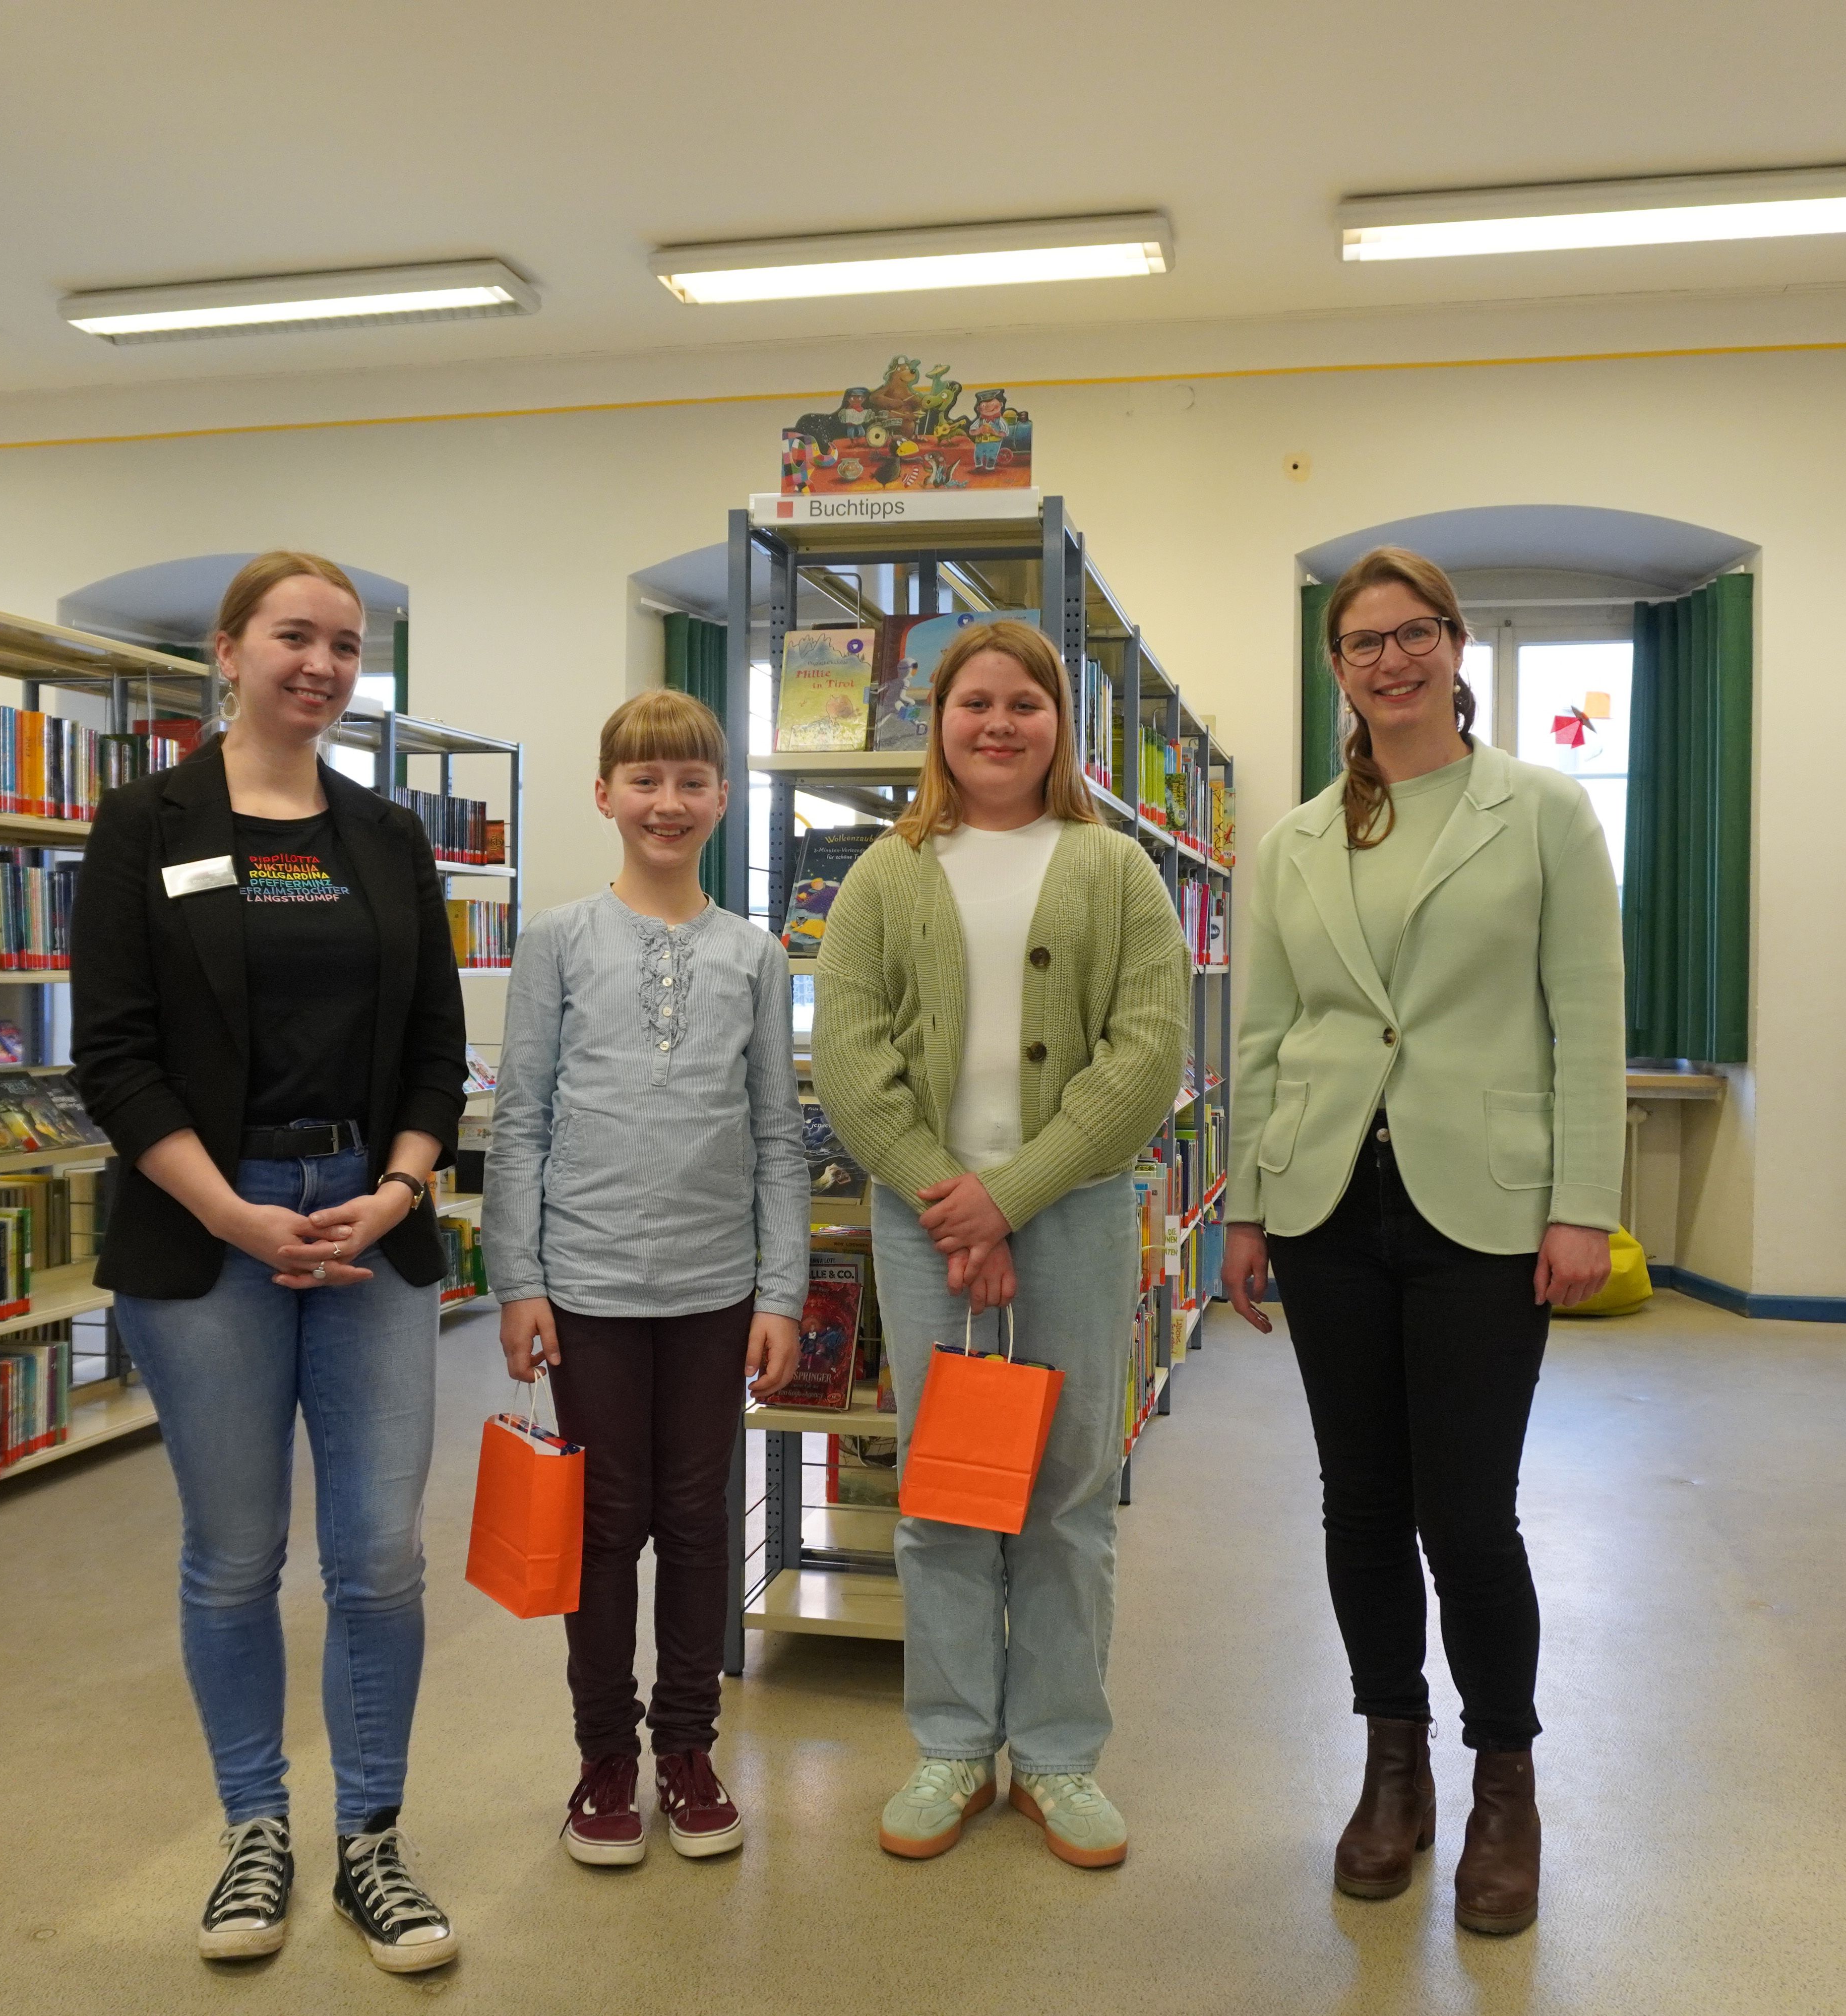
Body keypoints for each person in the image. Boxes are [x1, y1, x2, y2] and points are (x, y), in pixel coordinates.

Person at [71, 551, 467, 1975]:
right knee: (235, 1558)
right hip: (207, 1231)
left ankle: (375, 1841)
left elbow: (438, 1048)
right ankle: (255, 1829)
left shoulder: (388, 837)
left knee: (378, 1558)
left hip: (372, 1219)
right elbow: (110, 1058)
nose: (322, 664)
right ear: (227, 651)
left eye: (347, 646)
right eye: (295, 636)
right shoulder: (144, 824)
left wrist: (402, 1184)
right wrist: (234, 1214)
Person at [1218, 545, 1622, 1936]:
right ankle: (1392, 1766)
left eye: (1414, 635)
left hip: (1488, 1212)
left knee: (1468, 1513)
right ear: (1337, 670)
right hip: (1330, 1202)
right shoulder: (1298, 840)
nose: (1390, 660)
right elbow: (1265, 1036)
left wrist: (1584, 1205)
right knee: (1358, 1505)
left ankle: (1503, 1778)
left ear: (1456, 647)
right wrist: (1249, 1208)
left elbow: (1587, 1025)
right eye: (1362, 643)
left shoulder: (1545, 814)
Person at [810, 618, 1189, 1871]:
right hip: (925, 1225)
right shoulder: (886, 871)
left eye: (1026, 702)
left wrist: (1009, 1195)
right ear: (939, 719)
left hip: (1069, 1215)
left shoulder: (1116, 867)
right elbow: (852, 1061)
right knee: (946, 1490)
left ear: (1059, 724)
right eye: (975, 701)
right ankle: (954, 1742)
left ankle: (1063, 1753)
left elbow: (1143, 1060)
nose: (999, 723)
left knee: (1068, 1491)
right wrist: (947, 1193)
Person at [486, 689, 809, 1868]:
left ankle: (688, 1745)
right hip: (586, 1286)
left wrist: (781, 1294)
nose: (667, 802)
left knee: (697, 1517)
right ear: (605, 792)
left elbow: (778, 1133)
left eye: (690, 782)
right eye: (645, 779)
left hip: (719, 1288)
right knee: (605, 1526)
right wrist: (516, 1278)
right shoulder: (557, 942)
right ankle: (603, 1761)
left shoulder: (756, 952)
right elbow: (519, 1121)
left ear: (723, 799)